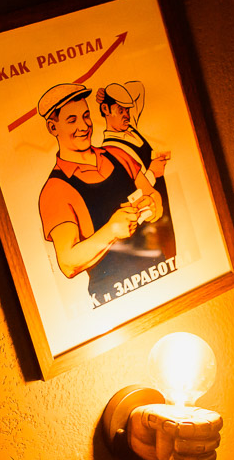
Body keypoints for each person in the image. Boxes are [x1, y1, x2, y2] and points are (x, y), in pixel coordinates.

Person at [35, 83, 165, 308]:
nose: (84, 125)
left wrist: (154, 205)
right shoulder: (55, 189)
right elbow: (67, 263)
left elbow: (153, 195)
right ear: (52, 127)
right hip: (114, 298)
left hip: (161, 274)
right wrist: (112, 231)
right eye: (72, 120)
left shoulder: (117, 155)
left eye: (86, 116)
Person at [97, 82, 177, 257]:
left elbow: (139, 88)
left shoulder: (130, 128)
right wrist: (153, 173)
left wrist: (107, 89)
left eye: (127, 110)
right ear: (105, 109)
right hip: (150, 220)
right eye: (120, 110)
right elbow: (129, 192)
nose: (126, 115)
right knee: (165, 253)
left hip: (163, 204)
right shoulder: (110, 149)